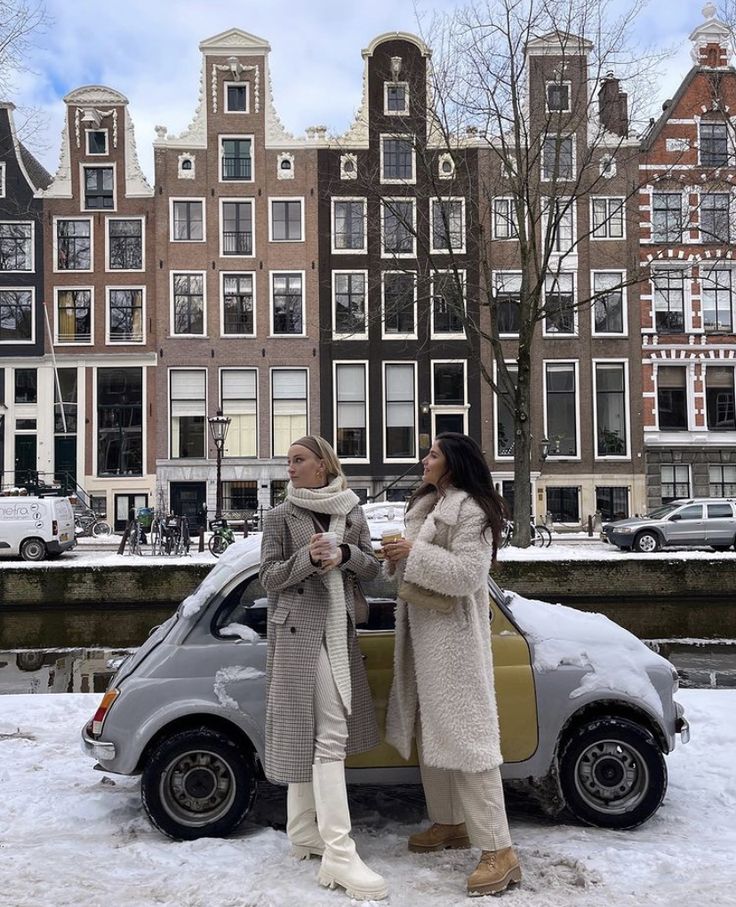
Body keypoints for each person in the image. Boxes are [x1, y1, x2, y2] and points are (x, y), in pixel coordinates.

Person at [382, 432, 522, 898]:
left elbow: (466, 575)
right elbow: (418, 567)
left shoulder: (475, 510)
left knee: (469, 740)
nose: (424, 460)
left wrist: (414, 554)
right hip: (422, 638)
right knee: (431, 731)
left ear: (454, 462)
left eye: (433, 454)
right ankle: (450, 822)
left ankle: (500, 851)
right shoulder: (426, 505)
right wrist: (397, 557)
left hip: (454, 643)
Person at [259, 435, 387, 901]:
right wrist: (308, 559)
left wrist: (346, 555)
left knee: (316, 734)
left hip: (338, 633)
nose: (290, 468)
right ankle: (338, 853)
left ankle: (302, 832)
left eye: (298, 460)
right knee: (327, 735)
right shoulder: (278, 515)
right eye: (288, 461)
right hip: (298, 638)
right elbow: (268, 578)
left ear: (322, 465)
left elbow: (375, 569)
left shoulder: (351, 511)